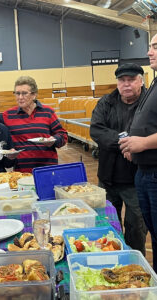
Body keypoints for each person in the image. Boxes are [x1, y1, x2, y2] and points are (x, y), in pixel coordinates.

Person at [90, 63, 147, 255]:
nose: (126, 84)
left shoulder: (148, 103)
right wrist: (125, 141)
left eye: (131, 80)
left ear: (141, 80)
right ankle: (111, 259)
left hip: (136, 178)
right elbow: (97, 130)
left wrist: (137, 144)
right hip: (107, 177)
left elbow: (149, 132)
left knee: (136, 227)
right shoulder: (106, 102)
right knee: (107, 226)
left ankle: (134, 260)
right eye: (122, 80)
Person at [119, 34, 157, 272]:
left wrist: (143, 144)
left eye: (155, 47)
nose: (149, 52)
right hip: (144, 172)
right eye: (150, 46)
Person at [0, 76, 68, 173]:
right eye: (17, 93)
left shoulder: (48, 112)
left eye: (24, 93)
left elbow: (63, 135)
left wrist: (54, 140)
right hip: (22, 172)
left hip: (48, 169)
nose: (20, 97)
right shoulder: (8, 115)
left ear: (34, 95)